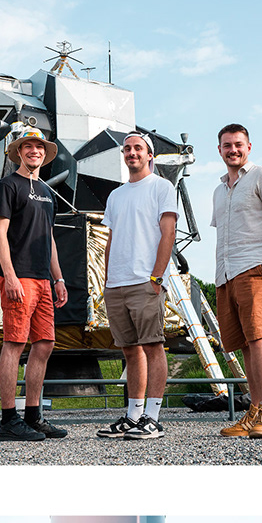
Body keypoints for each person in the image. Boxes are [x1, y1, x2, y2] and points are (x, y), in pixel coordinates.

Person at [208, 125, 262, 438]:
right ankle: (255, 412)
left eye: (238, 144)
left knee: (258, 336)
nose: (233, 150)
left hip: (255, 266)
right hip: (226, 273)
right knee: (242, 343)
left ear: (249, 146)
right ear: (219, 150)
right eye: (227, 145)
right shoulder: (219, 191)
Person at [0, 128, 70, 442]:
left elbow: (49, 237)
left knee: (45, 343)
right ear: (19, 153)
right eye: (28, 146)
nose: (34, 150)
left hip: (43, 278)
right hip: (19, 275)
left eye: (39, 146)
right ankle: (8, 420)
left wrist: (58, 277)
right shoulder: (8, 185)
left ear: (44, 153)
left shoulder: (48, 192)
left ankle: (33, 416)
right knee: (14, 343)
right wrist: (8, 275)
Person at [97, 133, 179, 440]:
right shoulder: (116, 195)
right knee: (130, 351)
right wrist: (106, 280)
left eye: (138, 149)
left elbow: (168, 232)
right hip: (117, 284)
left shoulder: (161, 187)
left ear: (149, 156)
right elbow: (111, 240)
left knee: (153, 347)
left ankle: (152, 418)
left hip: (146, 280)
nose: (132, 153)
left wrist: (157, 277)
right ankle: (133, 416)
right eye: (128, 148)